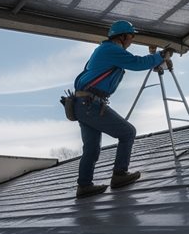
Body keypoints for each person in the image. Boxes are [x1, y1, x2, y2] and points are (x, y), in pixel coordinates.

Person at [73, 20, 173, 199]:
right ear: (123, 36)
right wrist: (161, 55)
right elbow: (136, 63)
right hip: (90, 104)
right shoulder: (111, 50)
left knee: (92, 148)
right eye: (131, 36)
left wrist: (155, 59)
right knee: (127, 132)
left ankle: (84, 186)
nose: (131, 41)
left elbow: (134, 62)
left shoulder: (105, 50)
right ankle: (120, 175)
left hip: (83, 104)